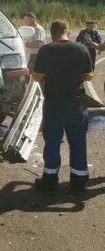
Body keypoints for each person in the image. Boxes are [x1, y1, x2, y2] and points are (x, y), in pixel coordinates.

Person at [33, 20, 93, 193]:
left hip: (54, 103)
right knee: (78, 142)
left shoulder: (46, 50)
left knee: (52, 141)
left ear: (52, 33)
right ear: (68, 31)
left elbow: (37, 77)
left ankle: (50, 181)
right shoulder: (81, 49)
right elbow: (88, 76)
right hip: (76, 104)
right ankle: (79, 182)